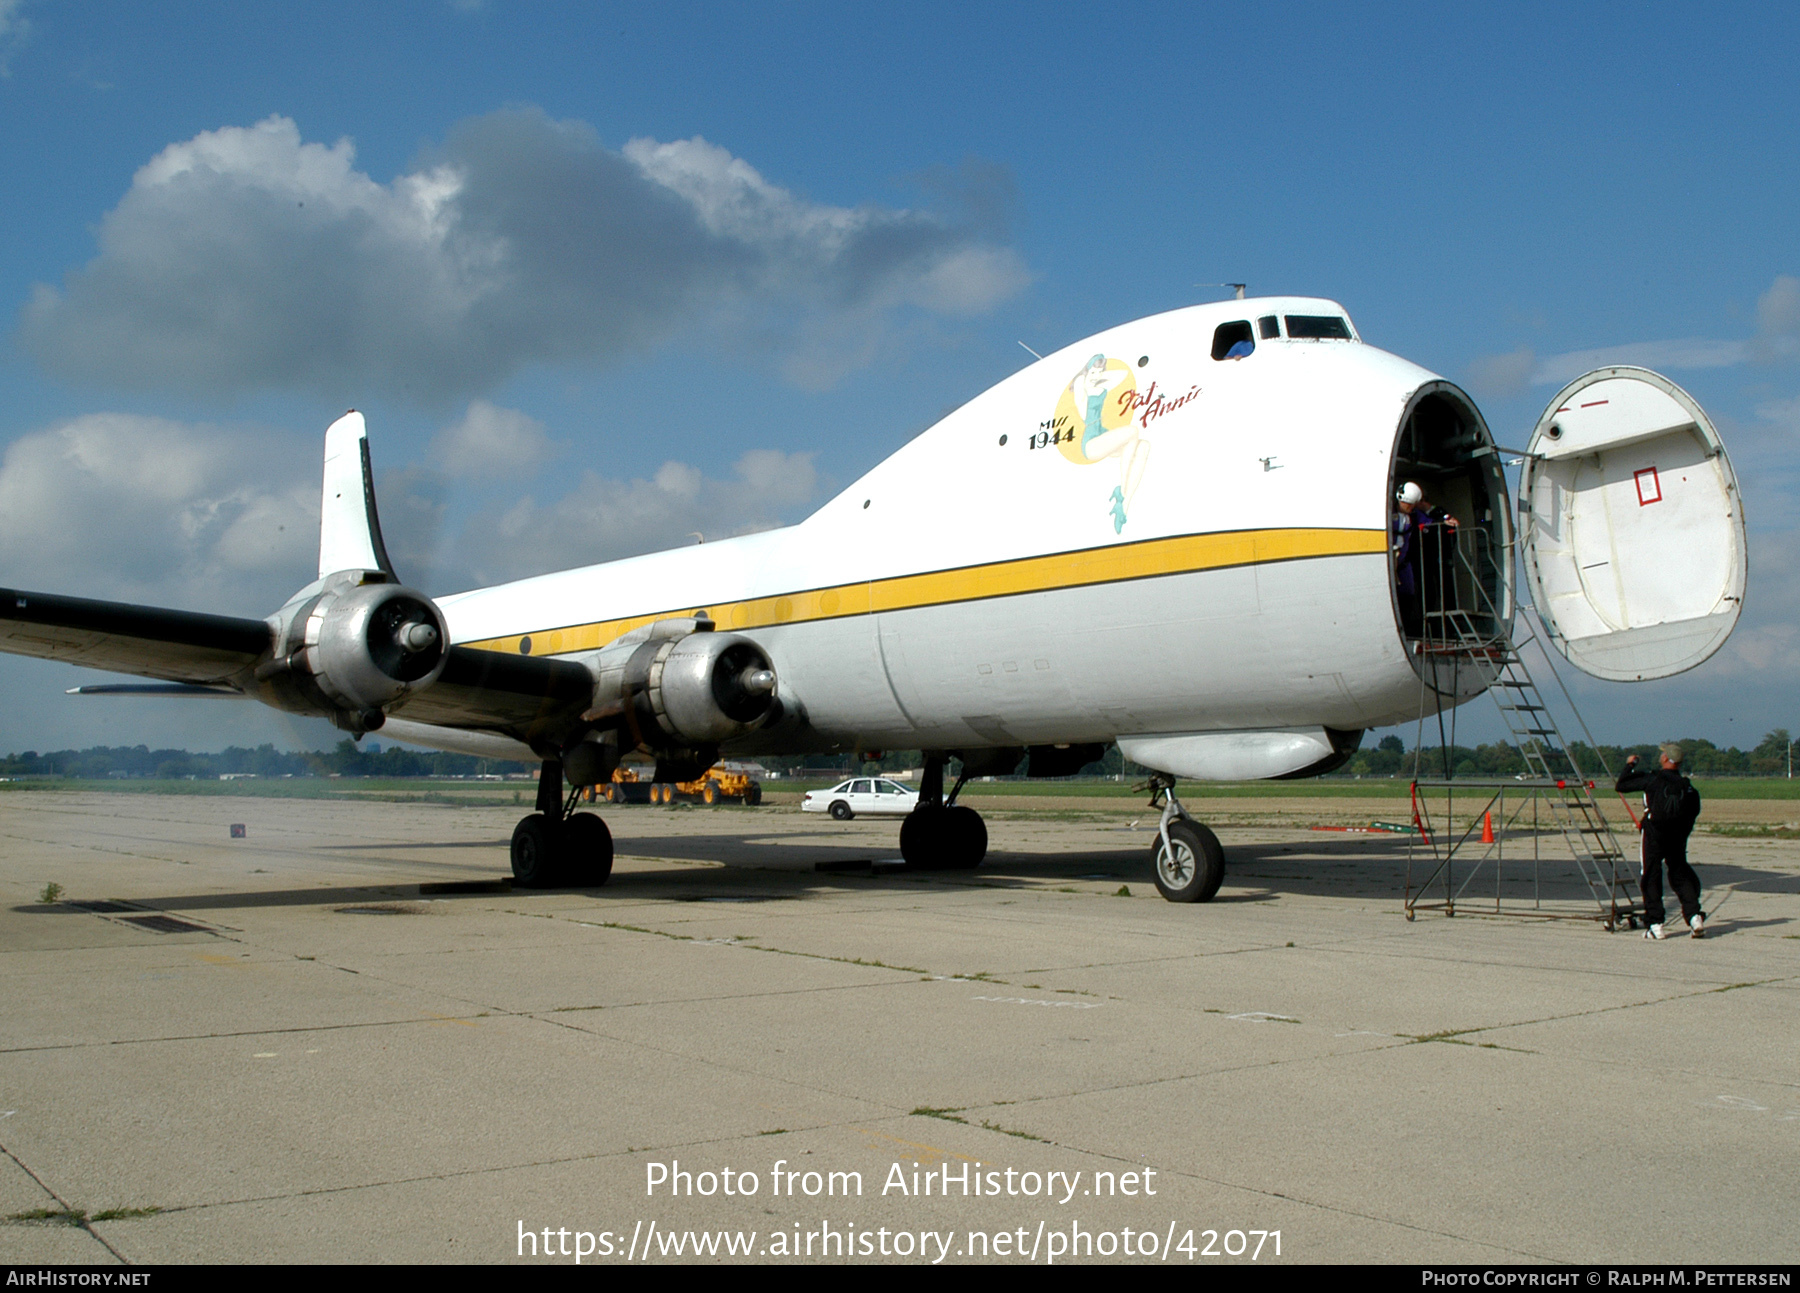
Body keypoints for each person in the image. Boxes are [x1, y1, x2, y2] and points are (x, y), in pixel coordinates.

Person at [1616, 742, 1705, 939]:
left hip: (1655, 833)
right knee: (1679, 871)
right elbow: (1694, 811)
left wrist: (1630, 765)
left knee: (1651, 874)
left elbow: (1621, 785)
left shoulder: (1653, 779)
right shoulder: (1686, 786)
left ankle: (1655, 923)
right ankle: (1694, 915)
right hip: (1678, 835)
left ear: (1665, 759)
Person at [1390, 481, 1457, 636]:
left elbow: (1431, 517)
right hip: (1390, 561)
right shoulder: (1387, 513)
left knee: (1408, 594)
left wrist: (1446, 518)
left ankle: (1406, 628)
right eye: (1408, 504)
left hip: (1403, 563)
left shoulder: (1415, 516)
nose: (1410, 507)